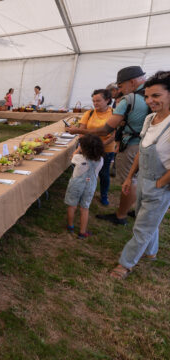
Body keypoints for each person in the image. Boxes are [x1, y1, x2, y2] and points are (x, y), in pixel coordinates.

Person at [66, 66, 149, 225]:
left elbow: (106, 129)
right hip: (143, 144)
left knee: (129, 180)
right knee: (137, 179)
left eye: (121, 86)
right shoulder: (149, 95)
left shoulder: (129, 99)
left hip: (131, 145)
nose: (120, 90)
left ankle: (121, 216)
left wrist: (77, 130)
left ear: (131, 82)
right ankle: (135, 210)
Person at [110, 71, 170, 279]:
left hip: (160, 183)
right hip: (143, 178)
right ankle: (151, 252)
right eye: (147, 96)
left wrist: (160, 183)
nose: (150, 101)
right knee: (149, 218)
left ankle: (125, 264)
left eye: (156, 96)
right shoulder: (150, 119)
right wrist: (129, 177)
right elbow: (142, 150)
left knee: (142, 225)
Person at [78, 89, 115, 205]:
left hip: (106, 149)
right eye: (93, 101)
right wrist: (85, 146)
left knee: (104, 174)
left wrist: (101, 145)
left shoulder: (114, 113)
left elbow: (115, 134)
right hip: (89, 149)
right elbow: (81, 131)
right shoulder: (88, 113)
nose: (95, 103)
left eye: (98, 100)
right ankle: (85, 192)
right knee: (87, 173)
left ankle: (104, 195)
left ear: (107, 100)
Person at [65, 134, 104, 238]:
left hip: (76, 184)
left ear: (84, 148)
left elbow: (72, 157)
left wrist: (78, 149)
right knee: (85, 208)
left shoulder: (78, 158)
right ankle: (82, 232)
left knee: (72, 205)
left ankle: (70, 226)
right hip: (90, 185)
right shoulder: (101, 160)